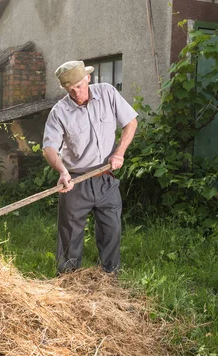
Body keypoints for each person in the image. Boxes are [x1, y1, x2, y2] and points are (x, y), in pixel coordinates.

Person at [42, 60, 138, 275]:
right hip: (76, 181)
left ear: (88, 78)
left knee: (111, 230)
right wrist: (62, 172)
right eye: (70, 89)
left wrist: (119, 152)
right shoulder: (59, 112)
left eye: (79, 86)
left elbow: (131, 122)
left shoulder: (107, 93)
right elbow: (49, 148)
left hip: (106, 178)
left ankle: (110, 276)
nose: (76, 93)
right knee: (70, 234)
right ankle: (68, 280)